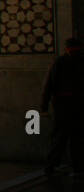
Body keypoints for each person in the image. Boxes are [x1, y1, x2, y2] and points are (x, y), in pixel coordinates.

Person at [41, 37, 83, 175]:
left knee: (60, 137)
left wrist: (44, 106)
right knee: (76, 138)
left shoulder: (59, 62)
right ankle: (77, 167)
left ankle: (51, 165)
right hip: (77, 105)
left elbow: (49, 85)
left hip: (62, 105)